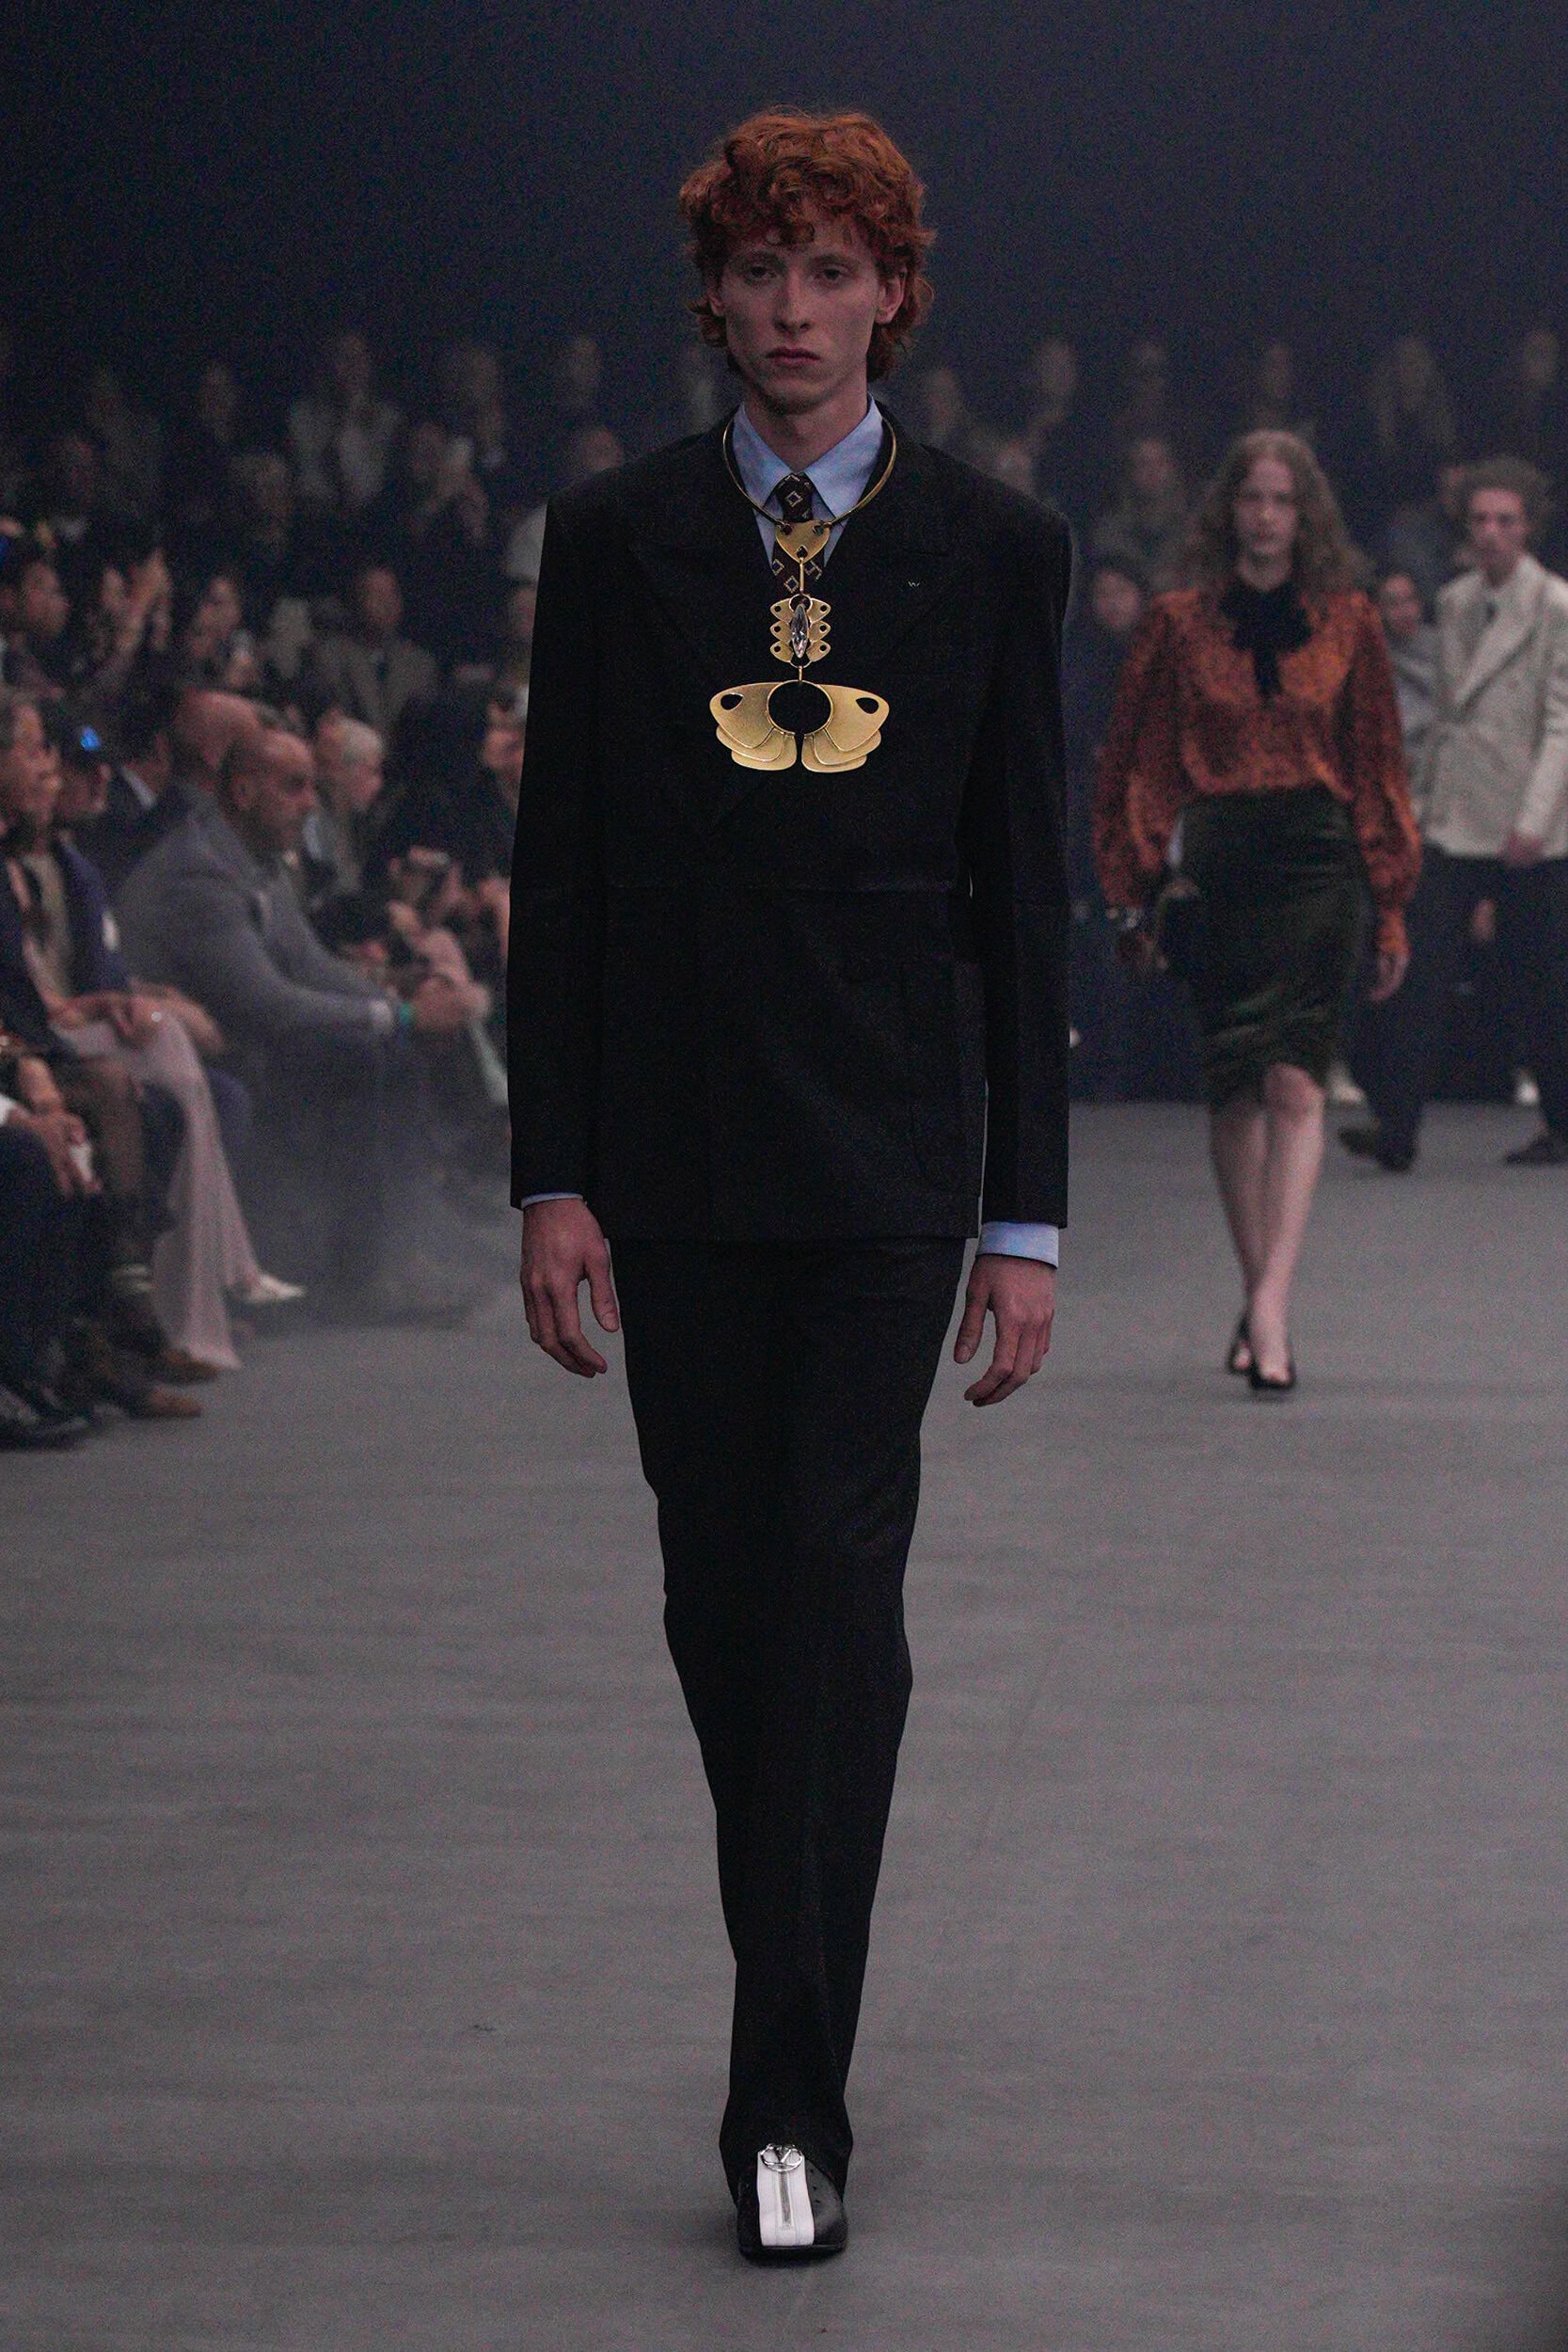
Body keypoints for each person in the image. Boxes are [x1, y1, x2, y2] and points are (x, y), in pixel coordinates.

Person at [510, 108, 1069, 2262]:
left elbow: (1021, 892)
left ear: (892, 295)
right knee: (723, 1601)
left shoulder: (996, 544)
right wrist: (552, 1174)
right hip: (671, 1146)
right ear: (713, 296)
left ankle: (783, 2103)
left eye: (832, 269)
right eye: (759, 269)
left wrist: (1021, 1214)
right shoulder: (615, 535)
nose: (792, 308)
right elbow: (561, 870)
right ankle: (799, 1973)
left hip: (888, 1152)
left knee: (830, 1582)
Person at [1094, 430, 1420, 1391]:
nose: (1266, 516)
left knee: (1294, 1080)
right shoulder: (1176, 622)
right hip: (1222, 861)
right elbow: (1138, 759)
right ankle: (1258, 1293)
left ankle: (1270, 1307)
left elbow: (1378, 763)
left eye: (1282, 500)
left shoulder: (1349, 621)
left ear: (1304, 512)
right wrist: (1132, 888)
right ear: (1226, 510)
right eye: (1251, 498)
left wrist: (1389, 901)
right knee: (1234, 1085)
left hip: (1319, 861)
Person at [117, 713, 479, 1311]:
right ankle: (363, 1272)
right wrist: (401, 1018)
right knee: (364, 1052)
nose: (311, 804)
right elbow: (267, 1004)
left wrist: (397, 1005)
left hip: (238, 1038)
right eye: (294, 787)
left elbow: (309, 964)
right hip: (200, 1047)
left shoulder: (254, 859)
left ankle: (404, 1241)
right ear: (242, 791)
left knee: (388, 1046)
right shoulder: (199, 873)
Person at [1340, 458, 1568, 1170]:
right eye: (1480, 520)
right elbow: (1444, 719)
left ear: (1528, 527)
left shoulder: (1556, 605)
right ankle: (1397, 1128)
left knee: (1540, 982)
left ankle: (1562, 1125)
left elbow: (1562, 723)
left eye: (1505, 520)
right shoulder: (1456, 599)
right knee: (1416, 969)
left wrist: (1533, 821)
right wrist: (1423, 809)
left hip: (1530, 824)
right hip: (1456, 816)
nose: (1491, 532)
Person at [307, 561, 437, 737]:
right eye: (377, 595)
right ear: (357, 601)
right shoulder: (332, 656)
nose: (387, 603)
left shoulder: (420, 663)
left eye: (392, 594)